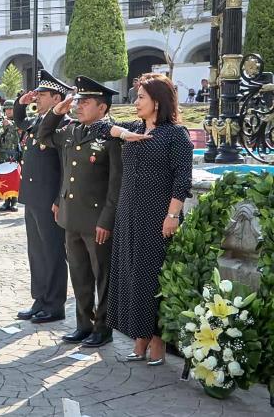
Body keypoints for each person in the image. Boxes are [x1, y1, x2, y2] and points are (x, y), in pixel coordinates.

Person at [89, 72, 193, 365]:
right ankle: (140, 339)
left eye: (142, 97)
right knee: (131, 276)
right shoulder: (134, 127)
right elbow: (97, 128)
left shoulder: (176, 134)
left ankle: (157, 342)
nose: (136, 102)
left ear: (157, 102)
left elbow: (182, 179)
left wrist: (172, 214)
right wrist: (123, 134)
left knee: (152, 278)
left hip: (158, 216)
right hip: (128, 214)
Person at [39, 76, 123, 348]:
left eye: (85, 103)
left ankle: (103, 328)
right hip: (71, 217)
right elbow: (44, 135)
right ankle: (83, 325)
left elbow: (115, 185)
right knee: (79, 274)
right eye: (78, 101)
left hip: (96, 220)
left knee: (102, 277)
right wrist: (57, 111)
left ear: (102, 108)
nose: (79, 106)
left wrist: (107, 220)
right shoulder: (71, 131)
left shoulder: (111, 136)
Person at [13, 71, 72, 323]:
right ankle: (40, 298)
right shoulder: (39, 121)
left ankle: (54, 304)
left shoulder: (63, 124)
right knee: (36, 252)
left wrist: (59, 199)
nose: (37, 98)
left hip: (50, 200)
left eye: (42, 95)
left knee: (53, 252)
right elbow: (19, 122)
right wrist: (19, 104)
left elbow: (66, 167)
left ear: (57, 97)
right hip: (33, 197)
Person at [0, 100, 20, 212]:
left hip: (14, 153)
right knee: (4, 177)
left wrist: (11, 125)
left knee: (14, 177)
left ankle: (14, 202)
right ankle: (6, 201)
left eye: (11, 109)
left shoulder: (18, 122)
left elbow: (19, 134)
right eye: (6, 109)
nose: (8, 111)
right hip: (3, 153)